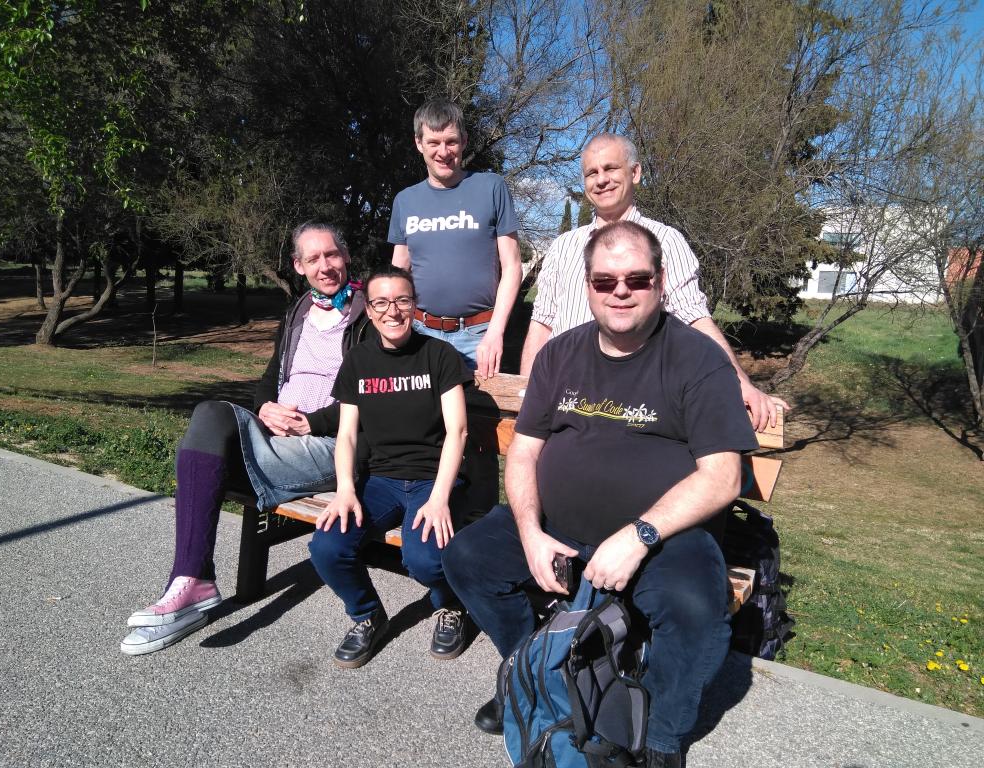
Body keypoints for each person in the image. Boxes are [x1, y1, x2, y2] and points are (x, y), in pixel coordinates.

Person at [443, 221, 759, 768]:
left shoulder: (697, 359)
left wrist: (638, 537)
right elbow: (524, 452)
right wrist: (530, 533)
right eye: (605, 280)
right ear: (587, 286)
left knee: (695, 610)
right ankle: (539, 670)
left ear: (661, 282)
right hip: (558, 526)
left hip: (664, 537)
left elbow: (723, 477)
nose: (620, 291)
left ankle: (658, 734)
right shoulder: (560, 354)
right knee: (467, 559)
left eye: (637, 279)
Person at [121, 223, 369, 656]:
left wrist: (313, 422)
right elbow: (271, 377)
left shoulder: (368, 314)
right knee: (210, 414)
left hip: (331, 445)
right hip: (276, 436)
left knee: (203, 465)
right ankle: (191, 578)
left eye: (332, 255)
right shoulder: (298, 312)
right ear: (298, 266)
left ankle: (191, 583)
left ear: (345, 257)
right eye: (313, 258)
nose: (325, 266)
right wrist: (266, 407)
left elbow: (373, 392)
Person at [520, 133, 788, 431]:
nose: (601, 180)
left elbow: (695, 319)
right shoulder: (563, 246)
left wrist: (739, 381)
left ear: (635, 173)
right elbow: (542, 324)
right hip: (563, 399)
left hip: (630, 405)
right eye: (592, 173)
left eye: (611, 168)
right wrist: (526, 394)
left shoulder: (666, 241)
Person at [308, 265, 473, 669]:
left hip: (432, 480)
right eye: (381, 302)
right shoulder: (359, 361)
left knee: (425, 560)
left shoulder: (439, 356)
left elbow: (458, 431)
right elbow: (347, 435)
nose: (392, 311)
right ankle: (367, 615)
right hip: (379, 481)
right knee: (327, 547)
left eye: (402, 300)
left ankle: (451, 605)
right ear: (368, 309)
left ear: (415, 305)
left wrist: (439, 498)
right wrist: (345, 489)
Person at [389, 98, 521, 377]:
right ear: (419, 143)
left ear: (464, 141)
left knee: (476, 407)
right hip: (420, 333)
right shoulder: (405, 200)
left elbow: (512, 266)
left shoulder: (491, 187)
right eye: (433, 142)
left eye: (451, 141)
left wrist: (495, 332)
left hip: (478, 337)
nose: (443, 152)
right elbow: (398, 271)